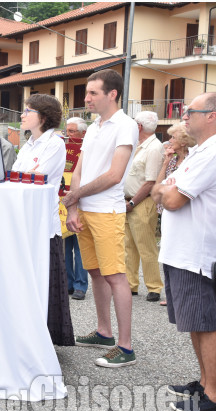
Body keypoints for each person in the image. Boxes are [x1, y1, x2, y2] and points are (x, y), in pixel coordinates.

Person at [63, 69, 138, 368]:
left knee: (115, 276)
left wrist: (73, 197)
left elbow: (114, 175)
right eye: (87, 92)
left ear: (113, 94)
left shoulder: (126, 125)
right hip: (85, 209)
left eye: (93, 92)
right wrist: (72, 206)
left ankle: (126, 347)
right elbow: (79, 168)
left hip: (107, 210)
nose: (87, 98)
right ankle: (104, 332)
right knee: (95, 272)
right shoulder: (94, 126)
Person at [151, 92, 216, 411]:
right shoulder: (198, 152)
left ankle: (214, 393)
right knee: (194, 321)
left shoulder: (213, 152)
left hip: (198, 254)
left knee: (205, 323)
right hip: (180, 253)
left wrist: (166, 192)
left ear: (213, 116)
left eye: (191, 111)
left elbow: (173, 200)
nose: (184, 115)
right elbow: (158, 192)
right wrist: (166, 191)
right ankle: (206, 382)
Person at [11, 94, 74, 346]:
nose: (22, 115)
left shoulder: (54, 143)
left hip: (42, 224)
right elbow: (14, 175)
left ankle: (46, 339)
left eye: (28, 111)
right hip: (22, 220)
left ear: (44, 117)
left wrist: (17, 176)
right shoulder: (28, 144)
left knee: (45, 282)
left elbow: (36, 176)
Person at [124, 111, 165, 301]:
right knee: (128, 246)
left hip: (140, 202)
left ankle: (154, 287)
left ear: (139, 126)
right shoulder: (139, 145)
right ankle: (130, 284)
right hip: (128, 201)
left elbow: (150, 181)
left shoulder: (154, 148)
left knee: (146, 246)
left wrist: (132, 203)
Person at [155, 123, 196, 307]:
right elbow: (158, 185)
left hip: (181, 210)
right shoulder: (172, 160)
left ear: (183, 141)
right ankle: (170, 294)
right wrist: (165, 162)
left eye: (173, 138)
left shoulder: (192, 160)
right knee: (167, 248)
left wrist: (165, 188)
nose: (169, 141)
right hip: (165, 209)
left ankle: (178, 295)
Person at [64, 117, 89, 300]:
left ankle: (81, 285)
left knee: (80, 247)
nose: (68, 135)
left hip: (83, 201)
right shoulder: (62, 148)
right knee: (65, 245)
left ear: (83, 133)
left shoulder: (89, 150)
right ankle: (67, 283)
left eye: (72, 131)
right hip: (62, 201)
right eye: (67, 131)